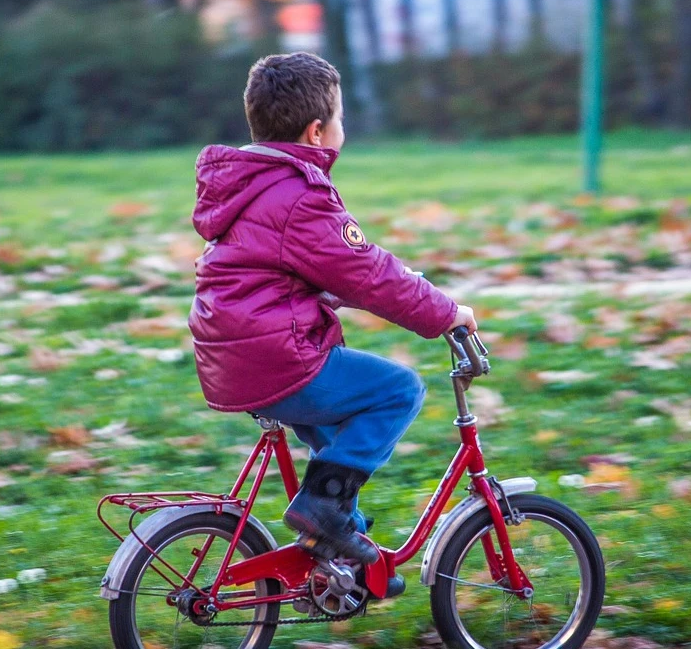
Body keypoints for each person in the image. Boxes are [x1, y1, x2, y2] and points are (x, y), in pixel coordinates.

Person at [188, 52, 476, 572]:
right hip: (279, 357)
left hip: (232, 357)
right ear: (317, 131)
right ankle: (324, 513)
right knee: (397, 390)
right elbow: (368, 273)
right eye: (341, 118)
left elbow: (276, 268)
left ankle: (342, 552)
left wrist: (325, 293)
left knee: (337, 438)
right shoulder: (301, 195)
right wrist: (446, 312)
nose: (345, 129)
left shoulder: (247, 186)